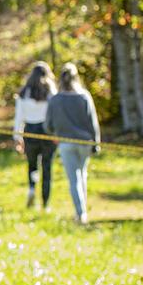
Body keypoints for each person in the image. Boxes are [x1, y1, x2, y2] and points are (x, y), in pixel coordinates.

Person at [44, 62, 100, 224]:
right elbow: (93, 122)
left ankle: (80, 213)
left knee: (74, 179)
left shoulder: (55, 100)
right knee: (82, 175)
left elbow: (48, 124)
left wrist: (54, 133)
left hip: (66, 143)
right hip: (85, 143)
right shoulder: (84, 96)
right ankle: (81, 211)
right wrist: (96, 143)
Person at [12, 62, 57, 210]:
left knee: (32, 165)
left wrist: (17, 137)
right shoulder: (50, 92)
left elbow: (19, 117)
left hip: (30, 131)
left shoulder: (24, 93)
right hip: (47, 132)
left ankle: (32, 188)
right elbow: (55, 114)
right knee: (47, 167)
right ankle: (46, 202)